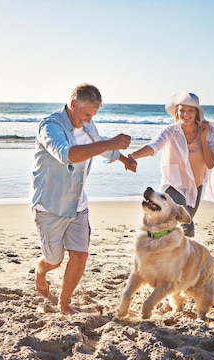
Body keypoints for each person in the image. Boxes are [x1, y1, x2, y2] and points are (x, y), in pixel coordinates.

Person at [30, 83, 136, 315]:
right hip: (50, 205)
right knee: (54, 261)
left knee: (80, 255)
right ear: (73, 104)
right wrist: (109, 143)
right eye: (86, 114)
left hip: (78, 203)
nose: (89, 119)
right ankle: (41, 269)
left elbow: (99, 146)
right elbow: (67, 155)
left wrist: (123, 159)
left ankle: (64, 303)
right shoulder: (50, 126)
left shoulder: (87, 125)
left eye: (93, 115)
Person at [127, 91, 214, 237]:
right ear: (177, 112)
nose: (185, 114)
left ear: (197, 112)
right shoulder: (170, 131)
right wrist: (133, 156)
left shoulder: (209, 132)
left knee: (177, 229)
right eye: (182, 110)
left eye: (190, 110)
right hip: (173, 185)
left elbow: (210, 163)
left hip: (195, 187)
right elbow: (153, 147)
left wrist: (202, 138)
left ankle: (165, 250)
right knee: (187, 226)